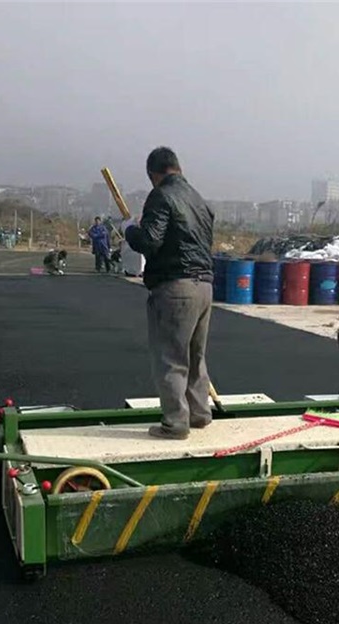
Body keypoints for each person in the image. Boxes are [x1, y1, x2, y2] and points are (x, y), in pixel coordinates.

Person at [121, 146, 215, 440]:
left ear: (153, 174)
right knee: (195, 356)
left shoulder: (161, 196)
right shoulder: (198, 199)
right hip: (204, 286)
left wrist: (129, 229)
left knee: (171, 358)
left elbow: (150, 241)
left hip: (176, 287)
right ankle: (199, 413)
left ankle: (175, 424)